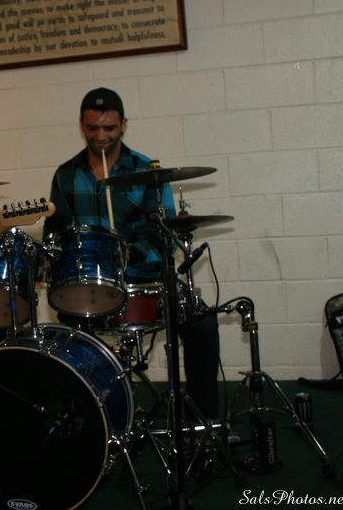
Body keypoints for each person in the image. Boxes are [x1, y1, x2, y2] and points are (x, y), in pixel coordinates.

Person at [43, 87, 220, 419]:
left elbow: (164, 237)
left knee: (202, 325)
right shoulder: (66, 174)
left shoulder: (147, 171)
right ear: (81, 125)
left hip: (145, 281)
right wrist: (51, 261)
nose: (101, 136)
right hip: (91, 286)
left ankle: (203, 420)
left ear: (123, 124)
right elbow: (55, 233)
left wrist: (131, 254)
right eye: (93, 128)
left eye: (109, 128)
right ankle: (91, 419)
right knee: (65, 335)